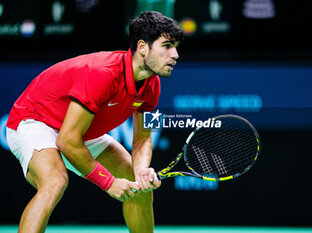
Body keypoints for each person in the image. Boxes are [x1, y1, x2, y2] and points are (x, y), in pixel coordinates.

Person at [6, 11, 184, 233]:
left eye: (175, 46)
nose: (175, 54)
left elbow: (143, 138)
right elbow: (67, 141)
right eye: (167, 45)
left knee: (139, 186)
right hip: (34, 121)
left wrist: (141, 171)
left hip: (79, 131)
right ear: (142, 47)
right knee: (54, 181)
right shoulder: (102, 74)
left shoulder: (153, 85)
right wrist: (109, 183)